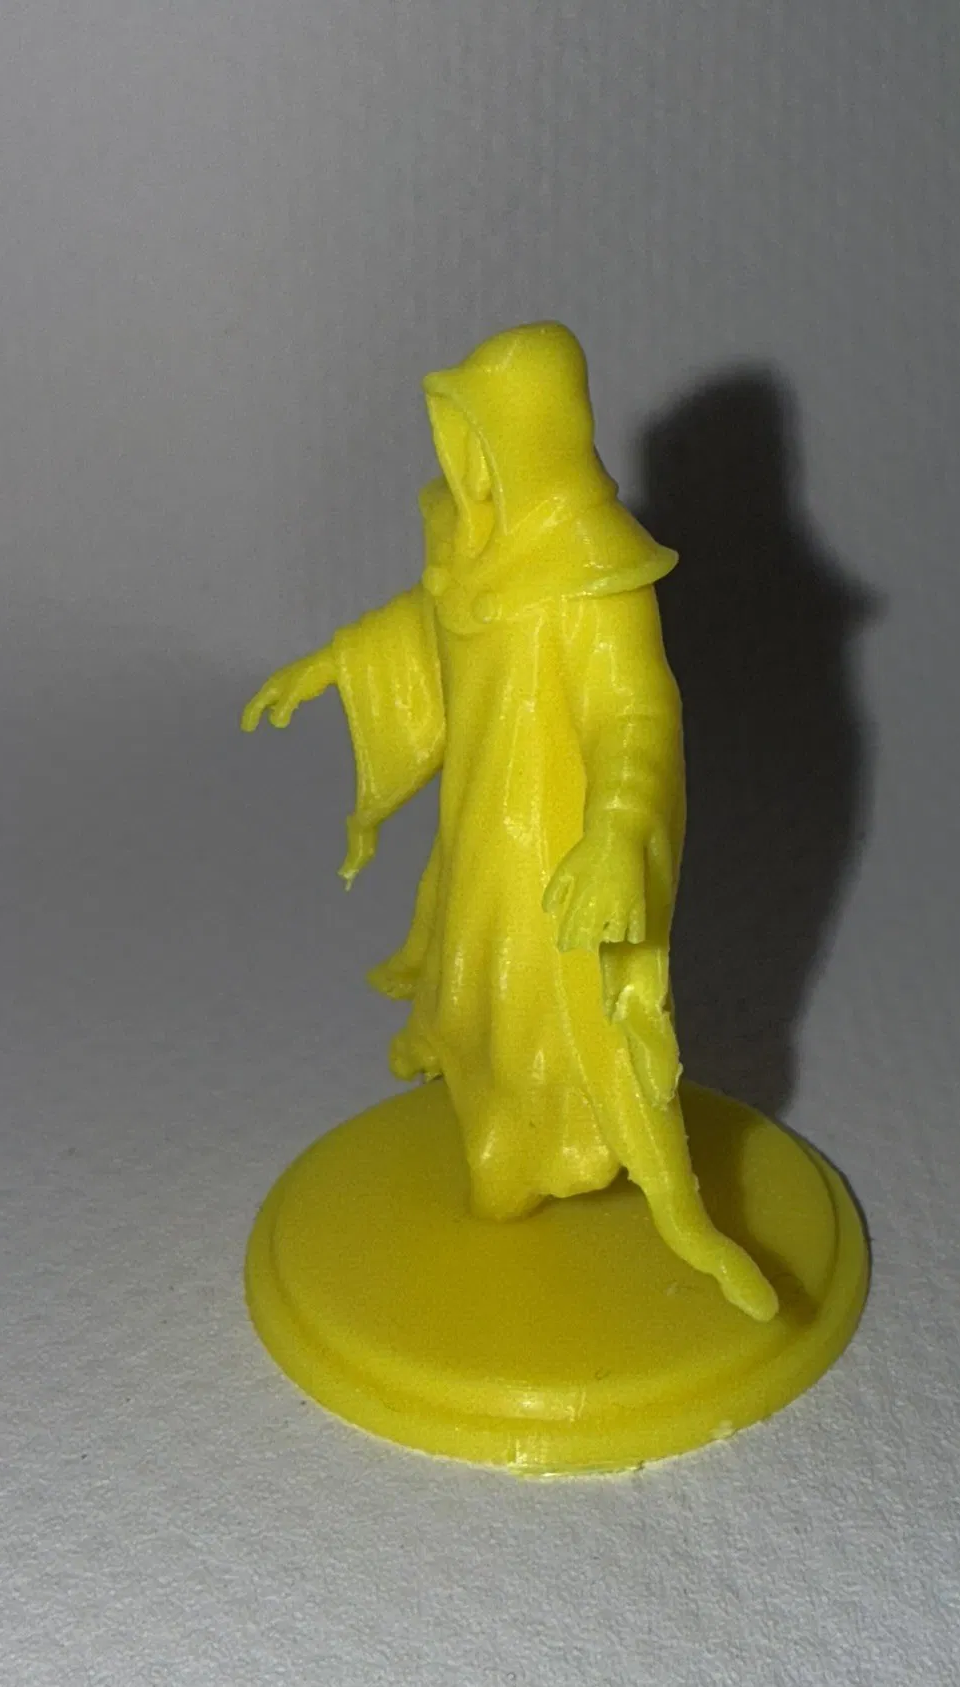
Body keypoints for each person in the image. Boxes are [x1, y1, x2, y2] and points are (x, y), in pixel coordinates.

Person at [244, 323, 776, 1322]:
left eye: (476, 437)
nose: (462, 464)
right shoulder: (471, 544)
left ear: (525, 438)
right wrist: (338, 663)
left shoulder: (590, 575)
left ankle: (560, 1180)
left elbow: (634, 715)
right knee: (473, 998)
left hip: (553, 860)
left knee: (552, 1029)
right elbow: (433, 621)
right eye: (452, 435)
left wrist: (617, 831)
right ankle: (498, 1149)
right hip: (478, 840)